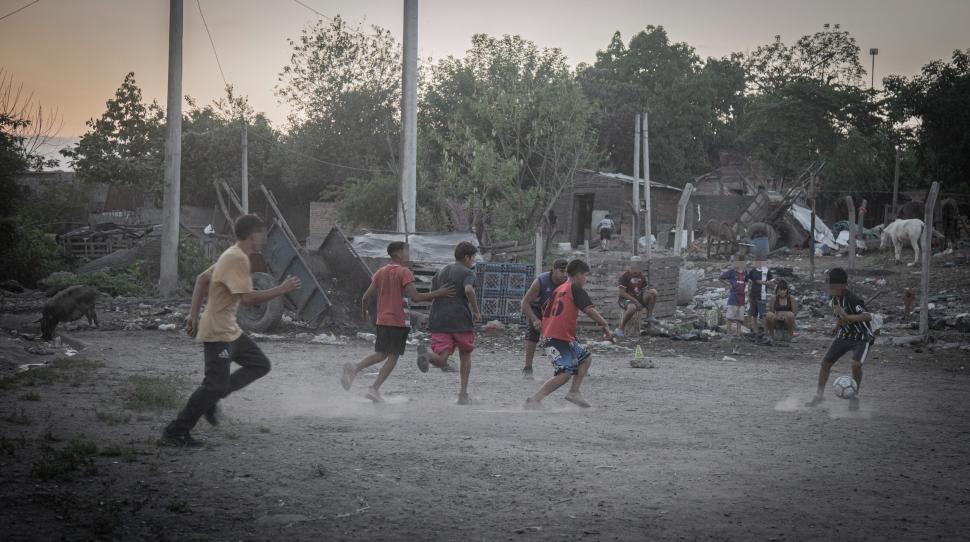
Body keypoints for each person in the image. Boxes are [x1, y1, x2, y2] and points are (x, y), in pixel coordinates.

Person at [159, 214, 301, 448]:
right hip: (217, 331)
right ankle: (175, 431)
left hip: (230, 330)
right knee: (212, 385)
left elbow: (202, 279)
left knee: (259, 365)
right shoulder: (237, 258)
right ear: (252, 235)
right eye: (262, 235)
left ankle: (212, 398)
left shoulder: (233, 254)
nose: (264, 240)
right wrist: (281, 289)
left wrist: (193, 315)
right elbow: (247, 299)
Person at [340, 242, 454, 403]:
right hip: (398, 321)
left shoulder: (380, 272)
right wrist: (439, 293)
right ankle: (374, 389)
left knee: (381, 354)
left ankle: (355, 367)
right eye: (407, 252)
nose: (408, 255)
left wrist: (364, 313)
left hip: (382, 320)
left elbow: (365, 297)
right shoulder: (404, 272)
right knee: (393, 356)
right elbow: (416, 297)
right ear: (399, 253)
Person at [525, 259, 612, 410]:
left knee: (585, 358)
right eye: (585, 275)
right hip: (556, 337)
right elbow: (589, 310)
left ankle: (574, 392)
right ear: (578, 275)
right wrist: (604, 324)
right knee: (565, 373)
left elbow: (546, 309)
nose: (586, 279)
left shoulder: (559, 289)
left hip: (559, 336)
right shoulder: (575, 288)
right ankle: (534, 400)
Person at [416, 241, 482, 405]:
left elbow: (432, 293)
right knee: (465, 354)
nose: (473, 261)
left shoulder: (440, 273)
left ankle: (428, 355)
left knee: (441, 359)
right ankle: (463, 394)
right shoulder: (468, 273)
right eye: (473, 258)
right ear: (466, 257)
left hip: (438, 319)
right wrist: (476, 311)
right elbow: (469, 289)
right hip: (460, 320)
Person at [806, 268, 873, 411]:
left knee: (856, 365)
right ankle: (819, 396)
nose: (831, 289)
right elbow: (841, 316)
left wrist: (848, 317)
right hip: (844, 335)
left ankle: (854, 397)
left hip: (861, 337)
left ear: (843, 286)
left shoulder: (853, 299)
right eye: (830, 286)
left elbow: (867, 316)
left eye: (834, 287)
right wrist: (837, 325)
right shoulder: (833, 299)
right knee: (825, 363)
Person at [520, 259, 569, 380]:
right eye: (562, 271)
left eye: (566, 272)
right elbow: (524, 303)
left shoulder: (567, 282)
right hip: (537, 308)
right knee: (533, 332)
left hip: (554, 310)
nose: (564, 274)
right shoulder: (541, 281)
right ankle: (527, 367)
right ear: (554, 270)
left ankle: (576, 363)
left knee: (567, 335)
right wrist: (535, 319)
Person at [614, 259, 658, 337]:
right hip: (625, 299)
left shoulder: (641, 276)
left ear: (639, 268)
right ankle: (620, 329)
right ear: (630, 268)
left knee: (653, 292)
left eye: (637, 271)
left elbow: (644, 290)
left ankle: (649, 316)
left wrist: (648, 297)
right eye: (634, 271)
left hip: (638, 298)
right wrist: (635, 301)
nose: (636, 273)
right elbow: (622, 293)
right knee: (632, 308)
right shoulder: (624, 277)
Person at [719, 255, 749, 337]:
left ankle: (738, 334)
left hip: (742, 297)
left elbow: (747, 280)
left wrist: (746, 288)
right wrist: (729, 284)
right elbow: (721, 277)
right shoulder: (731, 272)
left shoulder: (745, 272)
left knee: (740, 317)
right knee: (730, 316)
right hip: (733, 297)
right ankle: (728, 333)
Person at [747, 259, 773, 340]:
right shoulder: (752, 271)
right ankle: (755, 332)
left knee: (763, 315)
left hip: (762, 296)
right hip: (753, 295)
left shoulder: (766, 271)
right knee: (754, 314)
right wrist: (748, 292)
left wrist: (766, 283)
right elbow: (751, 282)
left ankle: (766, 333)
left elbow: (771, 281)